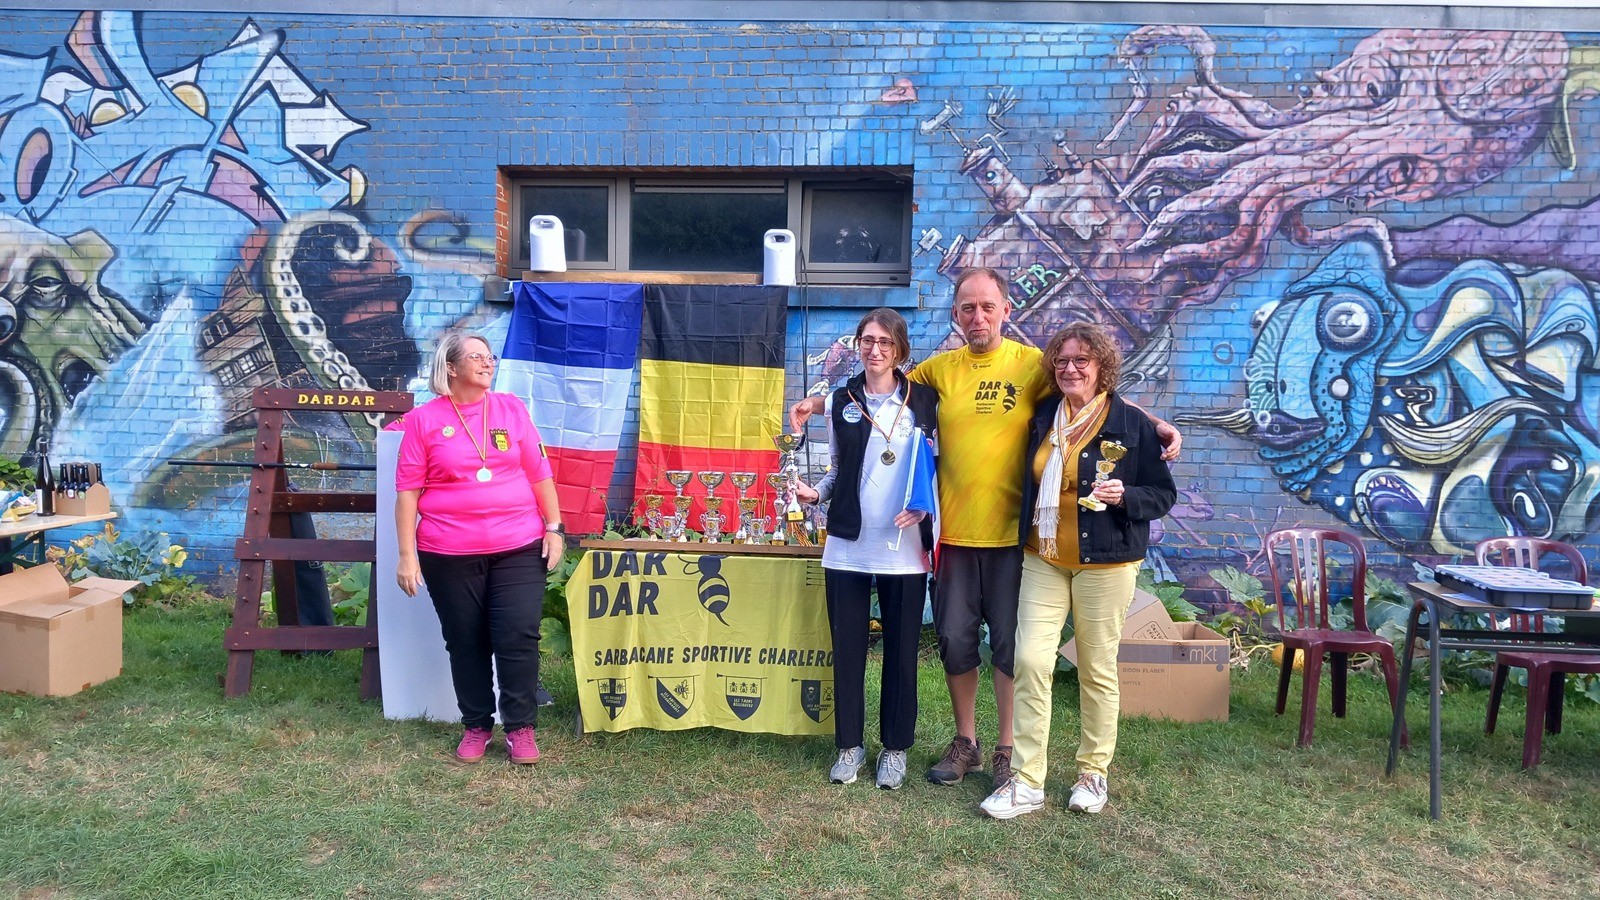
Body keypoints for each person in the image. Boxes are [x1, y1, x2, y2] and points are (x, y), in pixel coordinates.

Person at [790, 267, 1181, 790]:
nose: (978, 316)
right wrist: (818, 403)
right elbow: (877, 389)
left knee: (1010, 647)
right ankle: (966, 742)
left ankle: (1006, 748)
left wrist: (1155, 424)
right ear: (956, 314)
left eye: (987, 307)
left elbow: (1092, 395)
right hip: (953, 536)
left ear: (1006, 311)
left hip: (1014, 539)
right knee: (955, 642)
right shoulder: (938, 370)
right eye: (968, 308)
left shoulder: (1033, 365)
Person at [980, 322, 1175, 819]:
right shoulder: (1044, 414)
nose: (1070, 369)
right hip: (1042, 557)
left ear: (1101, 366)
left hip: (1107, 563)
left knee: (1095, 667)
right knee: (1030, 661)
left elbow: (1162, 494)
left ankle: (1093, 773)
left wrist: (1125, 496)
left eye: (1081, 360)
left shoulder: (1130, 423)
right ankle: (1027, 781)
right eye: (1062, 361)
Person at [394, 332, 565, 764]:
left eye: (490, 356)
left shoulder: (511, 408)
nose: (488, 363)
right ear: (450, 367)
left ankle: (520, 728)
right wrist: (407, 555)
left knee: (518, 635)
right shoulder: (423, 420)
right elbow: (408, 492)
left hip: (519, 544)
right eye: (476, 357)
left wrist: (555, 528)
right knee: (465, 641)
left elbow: (539, 472)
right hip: (448, 551)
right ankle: (476, 725)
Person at [794, 308, 937, 790]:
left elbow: (936, 468)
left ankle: (894, 749)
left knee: (901, 652)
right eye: (868, 340)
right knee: (848, 650)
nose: (875, 350)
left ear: (900, 350)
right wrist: (815, 494)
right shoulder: (842, 401)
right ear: (858, 345)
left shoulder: (925, 401)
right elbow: (837, 470)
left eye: (885, 342)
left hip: (905, 547)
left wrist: (925, 508)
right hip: (848, 545)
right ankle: (849, 746)